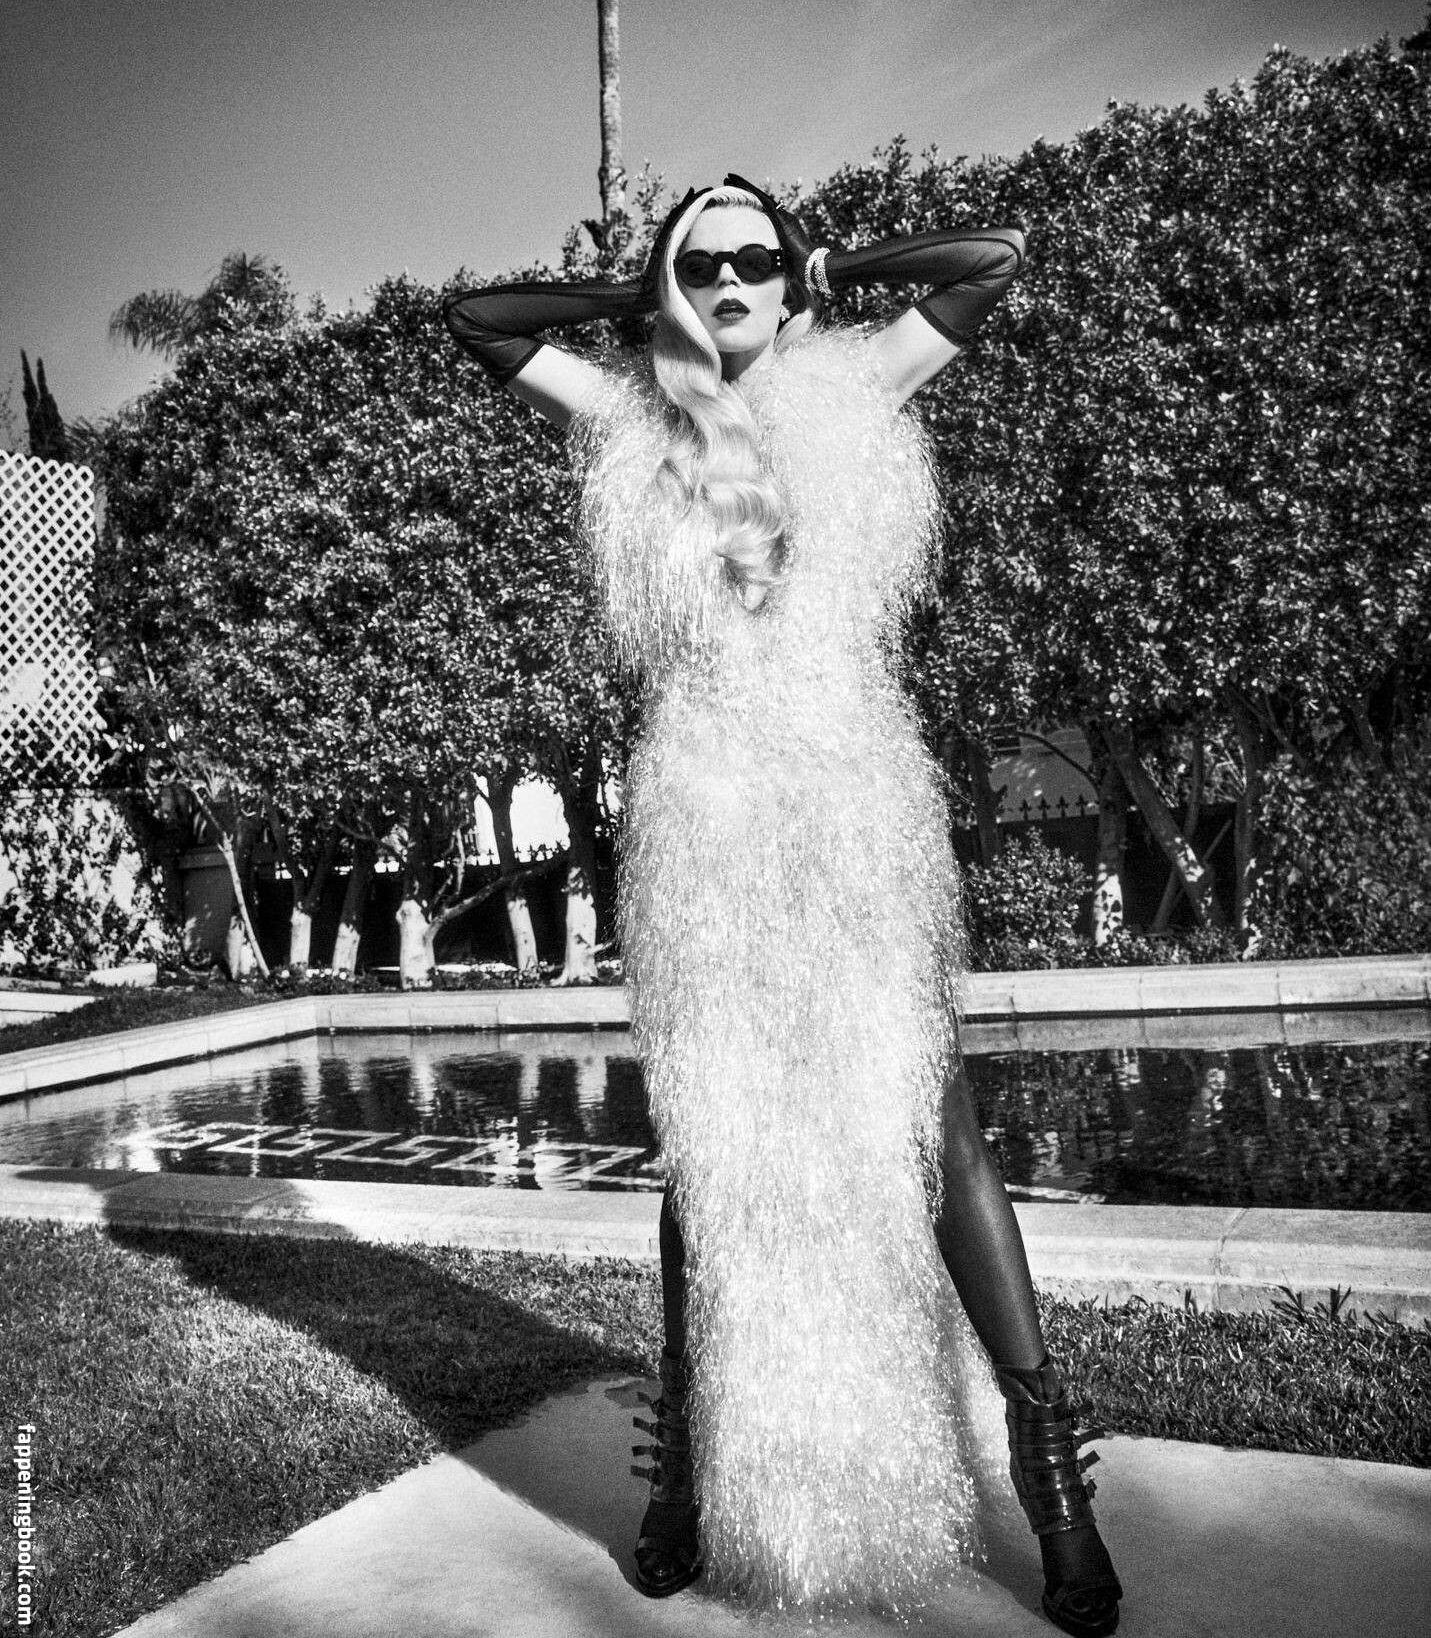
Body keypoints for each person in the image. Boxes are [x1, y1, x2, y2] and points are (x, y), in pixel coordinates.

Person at [443, 179, 1123, 1636]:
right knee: (712, 1138)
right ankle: (688, 1469)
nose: (734, 277)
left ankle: (1050, 1477)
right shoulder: (632, 417)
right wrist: (638, 302)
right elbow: (478, 320)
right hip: (706, 821)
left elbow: (992, 260)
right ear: (673, 283)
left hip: (856, 808)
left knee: (929, 1117)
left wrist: (822, 264)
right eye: (707, 261)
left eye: (757, 255)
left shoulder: (860, 380)